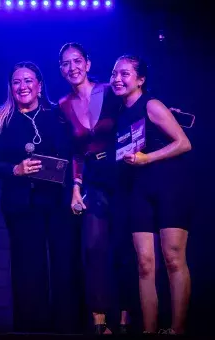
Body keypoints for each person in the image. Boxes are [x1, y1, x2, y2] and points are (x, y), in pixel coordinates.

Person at [0, 61, 81, 334]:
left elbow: (73, 153)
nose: (22, 86)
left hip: (58, 201)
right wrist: (15, 169)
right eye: (16, 81)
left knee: (64, 264)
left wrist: (74, 185)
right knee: (28, 268)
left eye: (28, 80)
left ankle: (68, 327)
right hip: (21, 205)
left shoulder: (58, 115)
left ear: (39, 85)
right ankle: (31, 328)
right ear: (10, 88)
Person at [110, 55, 193, 334]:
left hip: (170, 185)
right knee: (144, 263)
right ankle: (149, 330)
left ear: (140, 80)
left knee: (172, 258)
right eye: (114, 74)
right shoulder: (120, 114)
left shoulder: (152, 105)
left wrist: (148, 158)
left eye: (124, 74)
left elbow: (184, 143)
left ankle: (177, 329)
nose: (117, 79)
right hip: (138, 189)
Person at [58, 42, 133, 335]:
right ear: (61, 70)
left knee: (125, 247)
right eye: (66, 63)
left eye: (77, 61)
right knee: (94, 248)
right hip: (92, 180)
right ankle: (100, 319)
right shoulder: (63, 105)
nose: (72, 67)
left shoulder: (109, 90)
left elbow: (132, 118)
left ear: (88, 63)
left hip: (123, 174)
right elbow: (76, 152)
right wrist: (76, 187)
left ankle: (127, 317)